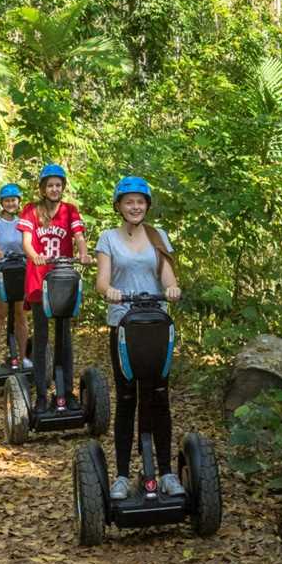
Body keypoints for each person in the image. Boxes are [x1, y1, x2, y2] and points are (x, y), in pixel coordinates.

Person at [95, 176, 185, 500]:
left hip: (156, 325)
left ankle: (166, 473)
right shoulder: (108, 238)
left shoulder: (158, 237)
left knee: (159, 397)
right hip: (123, 325)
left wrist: (172, 288)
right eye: (129, 201)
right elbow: (101, 282)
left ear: (147, 205)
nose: (135, 207)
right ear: (119, 205)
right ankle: (120, 475)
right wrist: (111, 292)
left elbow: (167, 275)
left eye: (140, 202)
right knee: (127, 398)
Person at [17, 163, 91, 413]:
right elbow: (26, 241)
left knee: (64, 337)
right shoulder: (30, 210)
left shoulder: (70, 211)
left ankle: (66, 393)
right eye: (50, 185)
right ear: (42, 188)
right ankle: (40, 395)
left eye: (58, 185)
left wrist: (83, 254)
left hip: (63, 278)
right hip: (39, 280)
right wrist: (34, 255)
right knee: (41, 337)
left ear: (63, 187)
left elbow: (79, 236)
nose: (54, 189)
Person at [0, 184, 30, 372]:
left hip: (20, 271)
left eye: (13, 200)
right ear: (1, 202)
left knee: (21, 316)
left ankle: (23, 357)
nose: (10, 203)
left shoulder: (24, 222)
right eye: (7, 200)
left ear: (18, 202)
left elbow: (29, 242)